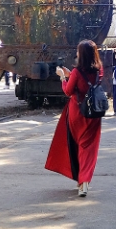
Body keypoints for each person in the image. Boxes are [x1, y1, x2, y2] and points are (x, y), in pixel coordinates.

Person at [45, 40, 104, 197]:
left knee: (77, 145)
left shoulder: (77, 72)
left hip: (77, 112)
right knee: (88, 148)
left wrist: (63, 78)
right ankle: (84, 182)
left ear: (82, 54)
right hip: (94, 113)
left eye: (78, 52)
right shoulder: (100, 70)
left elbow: (69, 91)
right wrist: (71, 75)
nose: (76, 54)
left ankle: (80, 180)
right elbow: (89, 84)